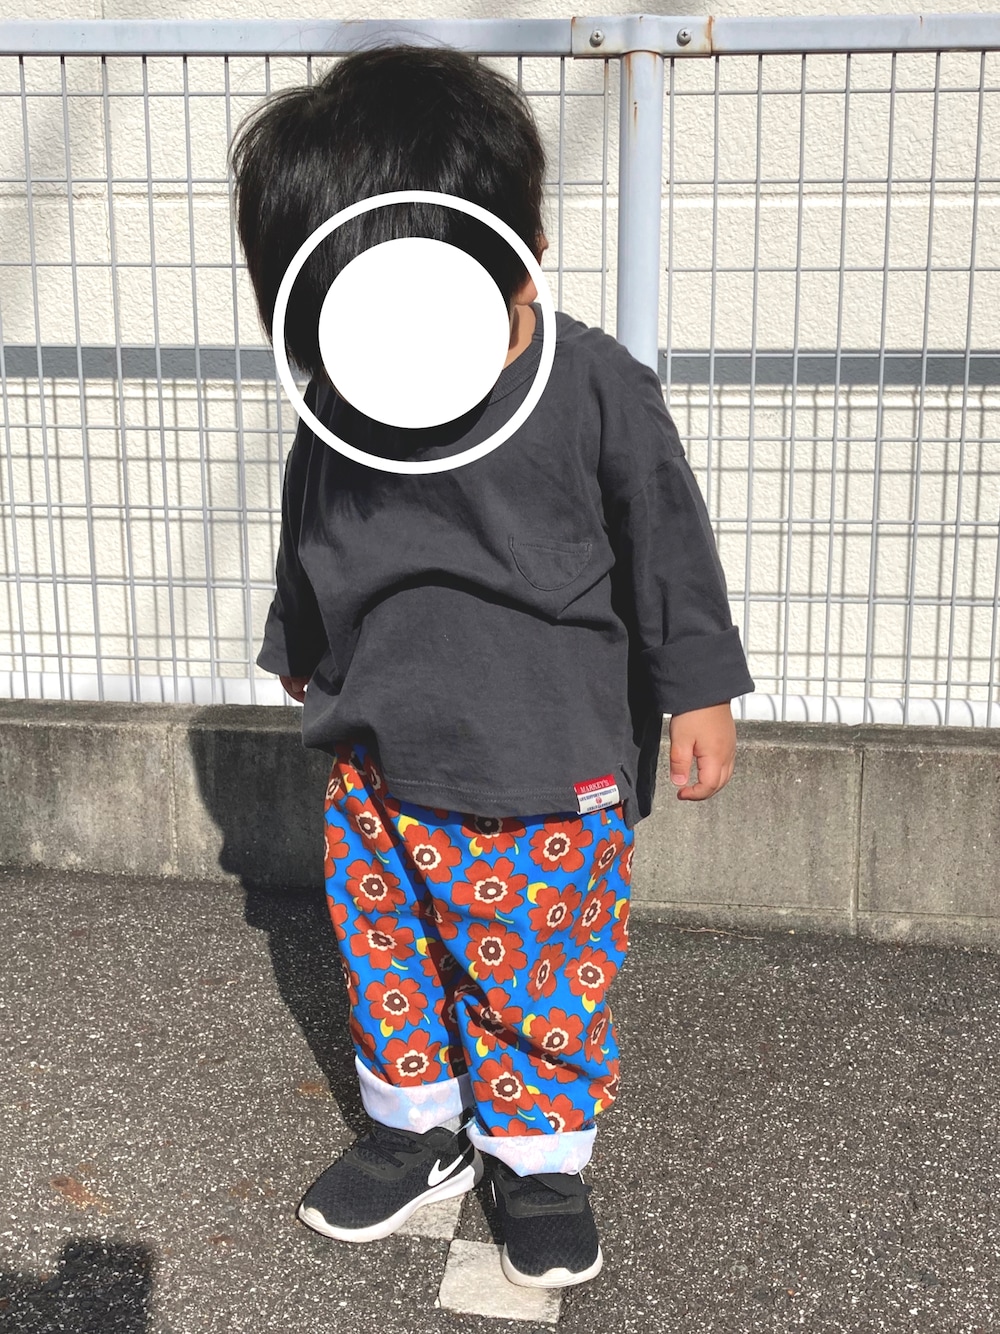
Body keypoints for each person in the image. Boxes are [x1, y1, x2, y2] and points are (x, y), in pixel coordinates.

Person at [229, 42, 754, 1289]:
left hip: (544, 767)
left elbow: (666, 539)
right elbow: (313, 528)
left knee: (537, 978)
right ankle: (419, 1131)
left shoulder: (591, 385)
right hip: (376, 755)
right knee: (389, 955)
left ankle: (537, 1157)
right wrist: (298, 641)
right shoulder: (343, 401)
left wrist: (698, 686)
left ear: (523, 250)